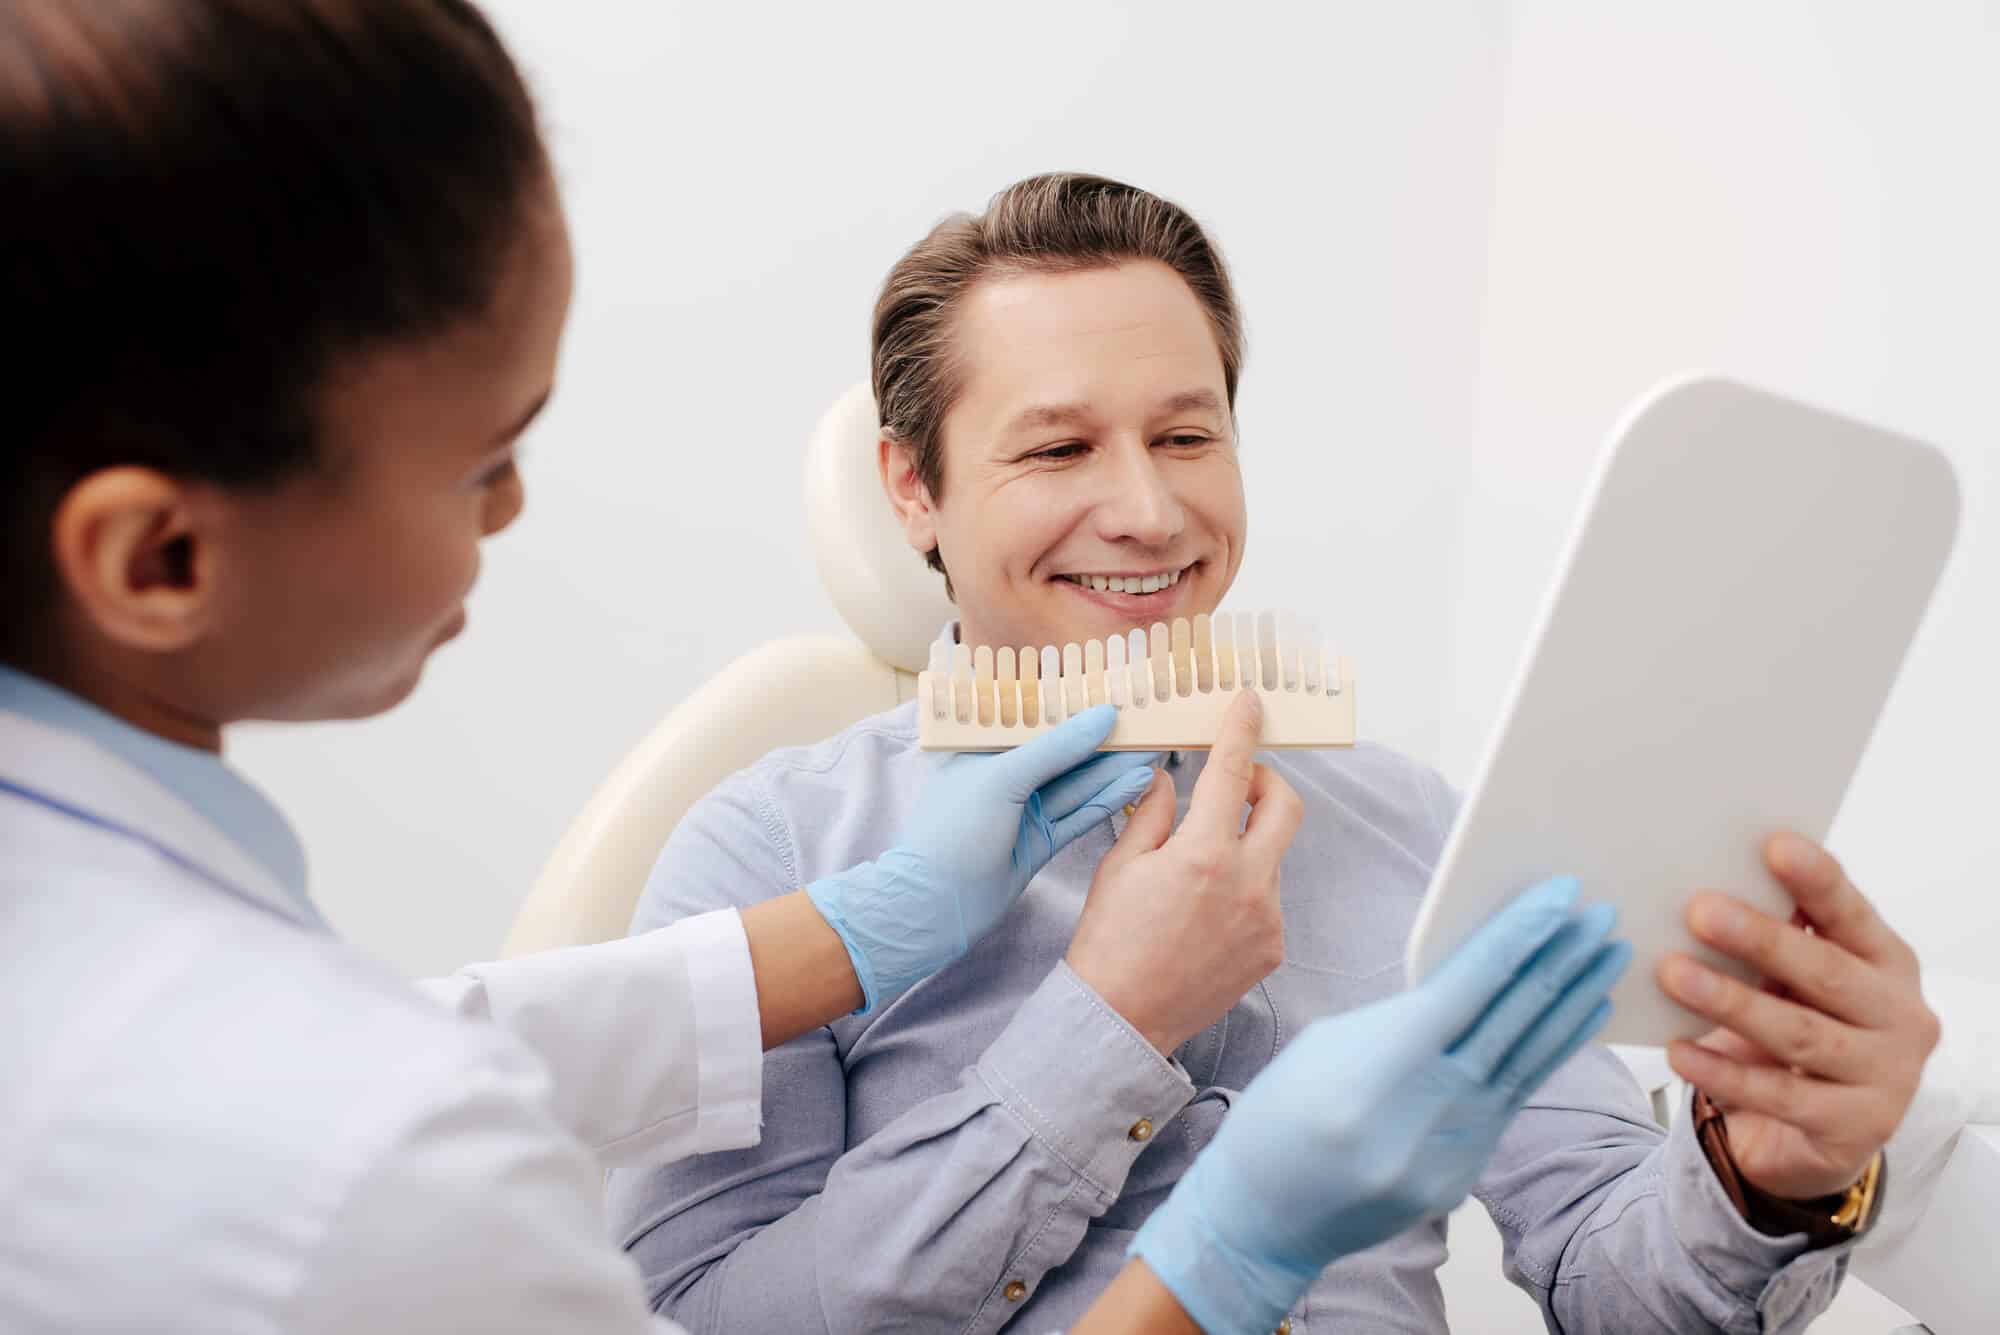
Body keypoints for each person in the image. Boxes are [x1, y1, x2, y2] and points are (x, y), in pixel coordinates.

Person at [0, 5, 1631, 1333]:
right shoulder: (726, 876)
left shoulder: (1414, 826)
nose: (510, 509)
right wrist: (1176, 1156)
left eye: (1190, 432)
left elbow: (1641, 1271)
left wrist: (1801, 1178)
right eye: (479, 455)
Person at [611, 173, 1936, 1335]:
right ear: (915, 490)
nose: (1147, 509)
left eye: (1189, 436)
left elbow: (1614, 1286)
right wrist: (1109, 1028)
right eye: (1061, 447)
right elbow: (710, 1317)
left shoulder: (1419, 829)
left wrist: (1766, 1177)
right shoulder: (772, 849)